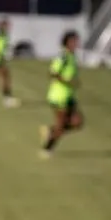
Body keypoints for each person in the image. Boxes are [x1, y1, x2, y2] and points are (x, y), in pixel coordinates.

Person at [39, 31, 83, 160]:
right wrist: (67, 82)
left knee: (77, 123)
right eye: (73, 41)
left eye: (77, 41)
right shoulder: (63, 57)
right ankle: (47, 148)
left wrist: (74, 82)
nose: (76, 43)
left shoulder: (72, 56)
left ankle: (51, 131)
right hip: (59, 96)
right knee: (62, 124)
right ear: (67, 42)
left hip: (69, 96)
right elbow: (52, 73)